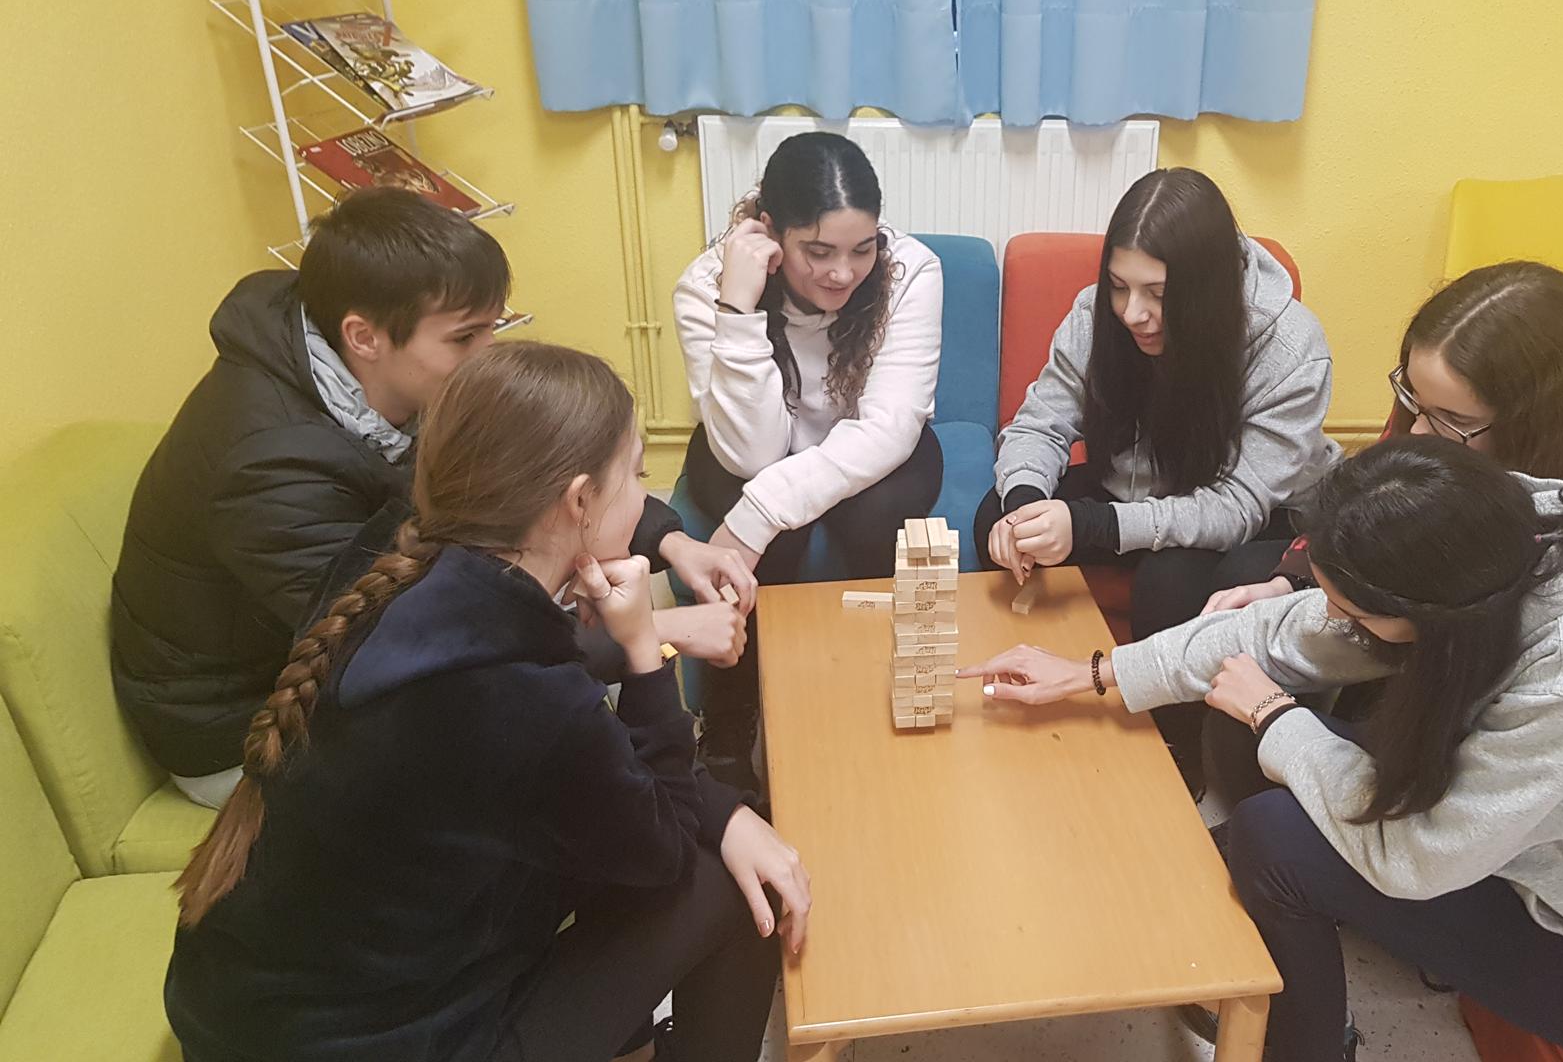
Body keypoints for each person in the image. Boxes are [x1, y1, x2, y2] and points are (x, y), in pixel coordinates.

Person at [961, 436, 1563, 1062]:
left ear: (1430, 613)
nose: (1334, 622)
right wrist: (1096, 672)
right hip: (1548, 855)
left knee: (1273, 836)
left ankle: (1311, 1048)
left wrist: (1278, 719)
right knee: (1255, 812)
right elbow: (1284, 630)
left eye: (1355, 614)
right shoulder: (1489, 538)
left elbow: (1418, 858)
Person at [165, 342, 807, 1062]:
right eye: (636, 474)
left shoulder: (392, 562)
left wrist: (721, 808)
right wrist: (645, 652)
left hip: (239, 1011)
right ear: (578, 502)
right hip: (381, 1044)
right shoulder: (521, 695)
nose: (644, 494)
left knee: (653, 847)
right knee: (724, 888)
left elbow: (589, 773)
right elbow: (660, 848)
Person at [112, 188, 751, 809]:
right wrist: (653, 633)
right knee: (567, 747)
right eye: (464, 337)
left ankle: (693, 806)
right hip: (242, 727)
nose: (486, 355)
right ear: (364, 337)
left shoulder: (376, 358)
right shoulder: (271, 468)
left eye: (493, 328)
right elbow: (417, 648)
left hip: (374, 658)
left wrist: (674, 543)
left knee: (592, 716)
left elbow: (545, 466)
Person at [1196, 260, 1563, 799]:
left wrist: (1276, 711)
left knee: (1307, 722)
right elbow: (1368, 498)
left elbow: (1502, 627)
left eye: (1453, 420)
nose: (1420, 430)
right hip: (1425, 601)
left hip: (1487, 647)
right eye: (1413, 402)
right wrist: (1294, 579)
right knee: (1254, 580)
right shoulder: (1437, 410)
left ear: (1534, 417)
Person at [974, 167, 1340, 790]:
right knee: (997, 515)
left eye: (1159, 294)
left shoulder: (1289, 347)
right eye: (1119, 286)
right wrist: (1026, 503)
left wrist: (1092, 525)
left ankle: (1178, 758)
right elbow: (1039, 423)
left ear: (1209, 287)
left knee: (1171, 582)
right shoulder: (1096, 315)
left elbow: (1236, 505)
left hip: (1262, 517)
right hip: (1135, 491)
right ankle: (1024, 681)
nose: (1133, 313)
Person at [674, 131, 945, 785]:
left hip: (868, 448)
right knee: (777, 531)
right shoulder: (706, 284)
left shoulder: (911, 271)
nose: (843, 273)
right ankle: (731, 720)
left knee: (871, 514)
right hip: (747, 444)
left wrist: (762, 512)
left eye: (862, 248)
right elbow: (752, 452)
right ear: (770, 231)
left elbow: (888, 427)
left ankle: (869, 686)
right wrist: (738, 309)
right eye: (817, 252)